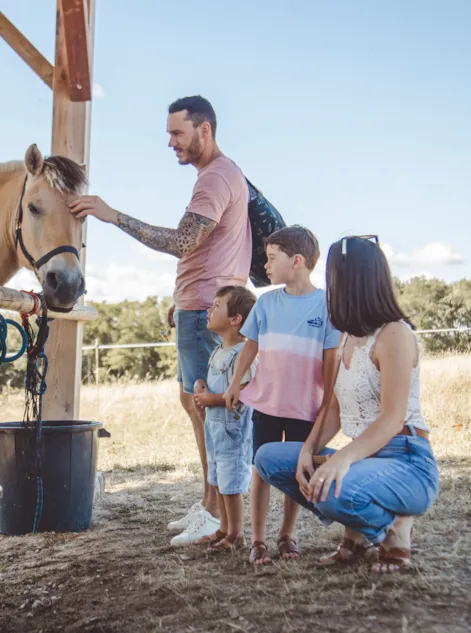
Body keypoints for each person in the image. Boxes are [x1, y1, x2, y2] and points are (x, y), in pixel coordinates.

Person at [69, 95, 252, 542]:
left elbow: (182, 241)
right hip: (199, 303)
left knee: (208, 409)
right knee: (194, 404)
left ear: (204, 130)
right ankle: (210, 504)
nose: (170, 142)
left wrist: (113, 217)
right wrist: (184, 298)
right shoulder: (220, 175)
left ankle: (216, 513)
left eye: (177, 133)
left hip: (206, 307)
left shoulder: (214, 179)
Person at [253, 235, 440, 573]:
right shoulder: (345, 336)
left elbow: (392, 418)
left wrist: (338, 461)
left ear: (352, 281)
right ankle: (356, 533)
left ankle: (393, 530)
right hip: (363, 457)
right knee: (269, 458)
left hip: (406, 461)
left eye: (333, 277)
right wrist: (310, 449)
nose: (329, 286)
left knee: (331, 485)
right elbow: (335, 409)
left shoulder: (395, 334)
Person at [223, 226, 341, 566]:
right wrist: (234, 384)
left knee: (296, 471)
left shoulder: (327, 305)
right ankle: (257, 539)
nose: (266, 265)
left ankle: (287, 534)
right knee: (260, 467)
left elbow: (330, 358)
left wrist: (327, 401)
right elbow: (251, 346)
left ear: (298, 261)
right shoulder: (266, 303)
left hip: (307, 407)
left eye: (272, 259)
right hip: (267, 402)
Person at [169, 285, 258, 549]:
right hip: (215, 429)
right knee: (218, 479)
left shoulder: (242, 354)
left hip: (233, 432)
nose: (209, 310)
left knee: (231, 486)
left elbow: (243, 393)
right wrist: (202, 390)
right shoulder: (218, 350)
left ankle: (235, 534)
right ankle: (223, 528)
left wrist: (210, 400)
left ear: (235, 319)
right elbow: (218, 387)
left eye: (216, 306)